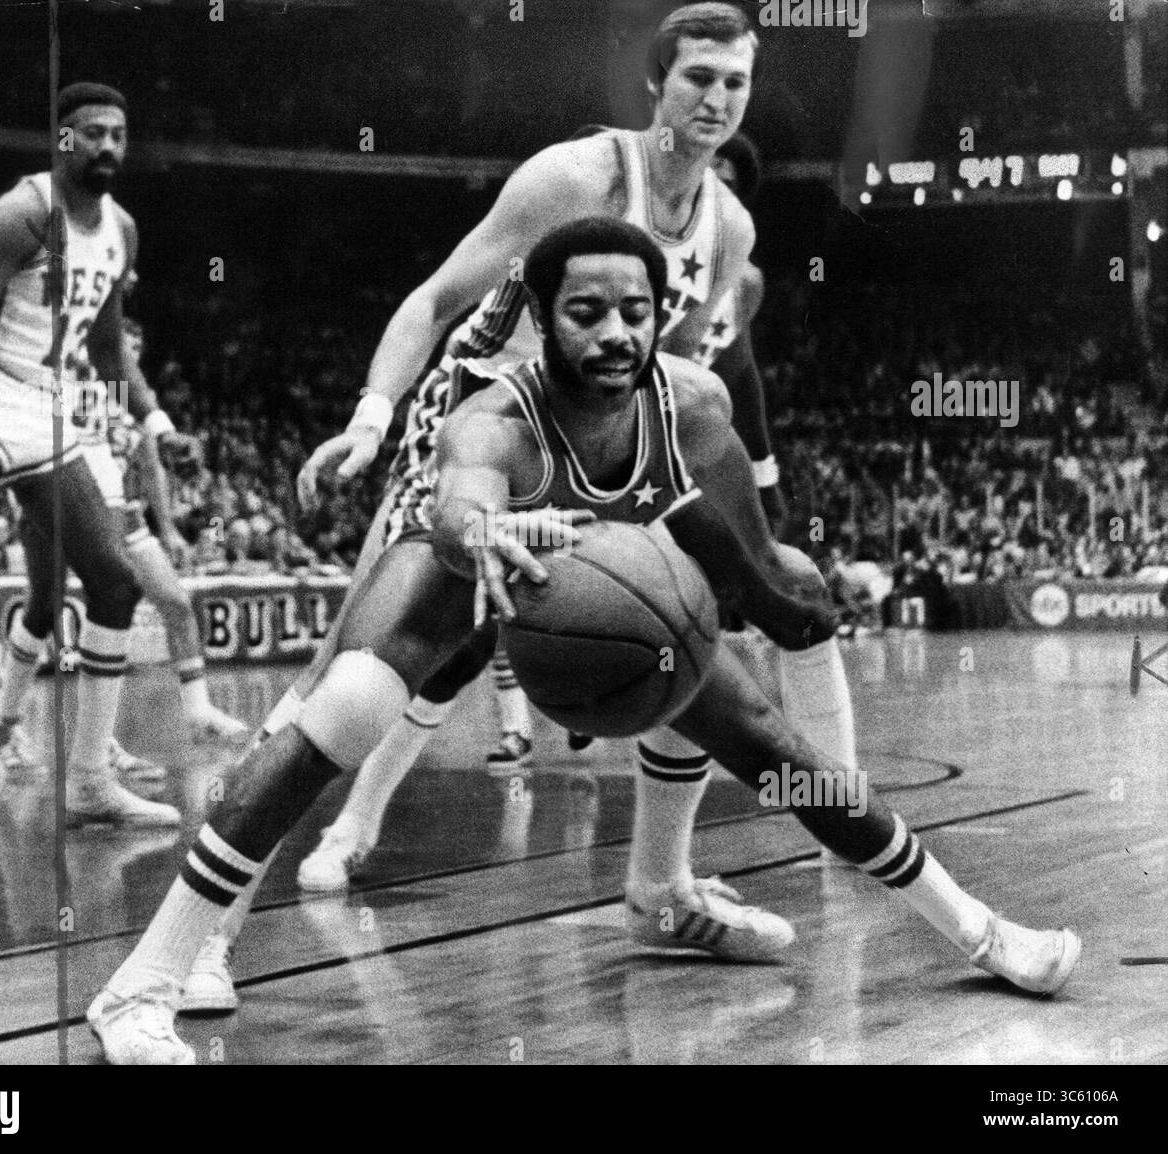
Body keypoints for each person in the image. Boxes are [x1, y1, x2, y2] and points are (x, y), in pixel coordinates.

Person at [90, 219, 1078, 1064]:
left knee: (763, 734)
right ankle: (147, 977)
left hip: (606, 588)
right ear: (541, 318)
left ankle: (974, 930)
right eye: (586, 312)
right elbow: (452, 506)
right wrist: (490, 531)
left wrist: (795, 599)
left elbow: (745, 572)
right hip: (463, 560)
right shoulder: (495, 413)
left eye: (635, 311)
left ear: (660, 312)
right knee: (346, 701)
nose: (615, 332)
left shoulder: (690, 410)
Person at [286, 3, 844, 899]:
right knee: (372, 660)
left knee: (688, 620)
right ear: (657, 82)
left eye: (736, 81)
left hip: (596, 432)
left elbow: (673, 373)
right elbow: (434, 302)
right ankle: (259, 891)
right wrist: (370, 415)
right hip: (485, 416)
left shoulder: (731, 230)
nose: (717, 97)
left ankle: (669, 879)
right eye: (699, 77)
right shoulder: (575, 176)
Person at [0, 83, 201, 859]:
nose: (109, 147)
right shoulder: (20, 213)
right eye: (93, 134)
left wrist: (155, 419)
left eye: (119, 133)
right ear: (62, 141)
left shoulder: (120, 228)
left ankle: (89, 783)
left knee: (114, 583)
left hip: (50, 415)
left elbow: (110, 347)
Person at [0, 315, 247, 785]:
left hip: (122, 510)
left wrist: (168, 529)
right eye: (125, 345)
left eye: (138, 348)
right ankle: (13, 724)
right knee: (46, 608)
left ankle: (196, 711)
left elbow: (152, 466)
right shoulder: (68, 372)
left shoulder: (130, 401)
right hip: (64, 502)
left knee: (175, 601)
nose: (131, 355)